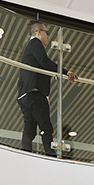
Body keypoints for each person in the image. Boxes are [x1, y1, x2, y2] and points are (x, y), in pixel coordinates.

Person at [17, 20, 77, 156]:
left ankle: (26, 154)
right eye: (46, 32)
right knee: (46, 126)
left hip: (24, 94)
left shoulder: (29, 47)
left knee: (30, 129)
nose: (48, 36)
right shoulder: (35, 43)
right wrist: (65, 72)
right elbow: (44, 61)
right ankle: (49, 155)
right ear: (38, 32)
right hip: (34, 92)